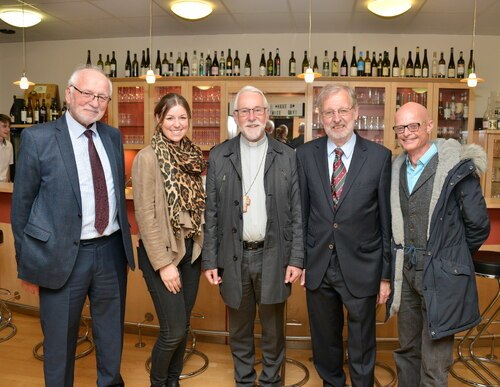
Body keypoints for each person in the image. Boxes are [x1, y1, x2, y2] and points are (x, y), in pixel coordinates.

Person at [11, 66, 135, 387]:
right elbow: (21, 208)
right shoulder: (37, 139)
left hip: (110, 253)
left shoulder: (112, 137)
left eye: (102, 97)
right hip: (60, 256)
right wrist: (28, 265)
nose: (94, 103)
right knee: (59, 344)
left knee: (110, 336)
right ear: (69, 94)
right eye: (87, 93)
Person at [202, 85, 304, 387]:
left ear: (267, 114)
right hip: (233, 258)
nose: (251, 116)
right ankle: (244, 381)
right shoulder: (219, 155)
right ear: (235, 116)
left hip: (273, 256)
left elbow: (297, 211)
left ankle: (272, 382)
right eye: (244, 110)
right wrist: (210, 260)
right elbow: (212, 213)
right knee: (239, 331)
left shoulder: (287, 156)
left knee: (273, 333)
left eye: (257, 109)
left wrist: (296, 258)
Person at [296, 83, 392, 387]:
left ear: (356, 112)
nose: (336, 118)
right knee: (325, 344)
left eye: (342, 110)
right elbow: (301, 213)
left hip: (363, 265)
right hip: (319, 264)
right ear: (320, 116)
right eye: (329, 112)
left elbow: (386, 222)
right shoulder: (304, 155)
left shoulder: (379, 157)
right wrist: (301, 261)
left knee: (363, 345)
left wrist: (386, 276)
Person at [389, 102, 490, 387]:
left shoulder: (456, 168)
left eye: (414, 125)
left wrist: (451, 257)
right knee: (407, 351)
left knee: (434, 364)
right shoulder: (397, 169)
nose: (407, 133)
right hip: (407, 273)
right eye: (401, 127)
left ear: (429, 126)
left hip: (441, 275)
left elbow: (478, 225)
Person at [132, 93, 206, 387]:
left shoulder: (192, 155)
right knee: (172, 331)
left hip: (190, 253)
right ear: (159, 120)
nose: (177, 124)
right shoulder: (147, 158)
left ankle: (173, 381)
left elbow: (198, 205)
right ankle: (158, 382)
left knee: (183, 326)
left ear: (189, 120)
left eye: (182, 117)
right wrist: (164, 264)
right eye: (170, 118)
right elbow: (145, 214)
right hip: (163, 256)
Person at [0, 114, 13, 182]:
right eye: (4, 126)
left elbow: (8, 168)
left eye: (9, 126)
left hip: (4, 186)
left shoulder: (9, 145)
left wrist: (8, 182)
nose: (8, 129)